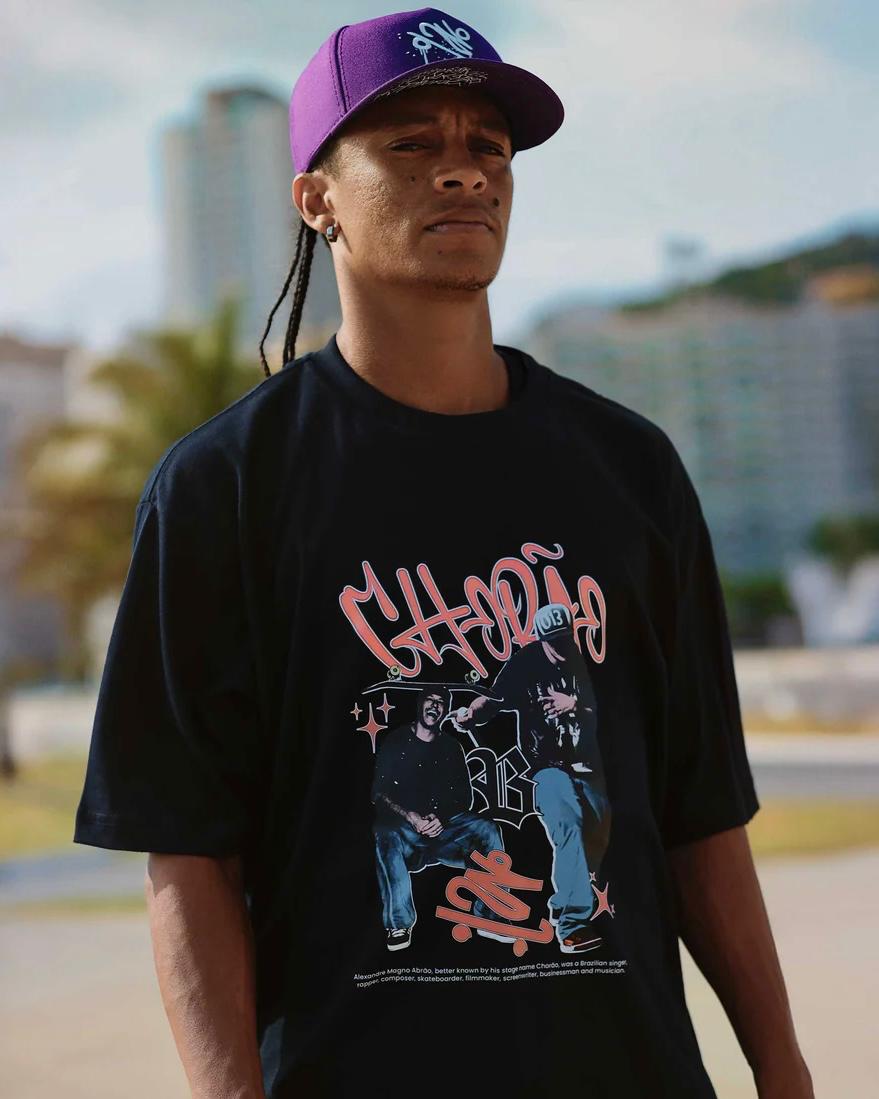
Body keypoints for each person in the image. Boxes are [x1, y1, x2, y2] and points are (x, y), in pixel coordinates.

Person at [73, 6, 814, 1098]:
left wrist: (783, 1071)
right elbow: (187, 852)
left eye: (488, 147)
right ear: (317, 197)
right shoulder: (223, 488)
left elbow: (699, 814)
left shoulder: (629, 469)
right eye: (411, 144)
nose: (464, 172)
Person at [453, 601, 612, 953]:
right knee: (568, 823)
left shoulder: (587, 661)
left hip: (588, 765)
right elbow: (492, 700)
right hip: (546, 766)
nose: (560, 647)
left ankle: (564, 903)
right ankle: (573, 924)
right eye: (553, 641)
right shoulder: (525, 664)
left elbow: (612, 708)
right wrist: (469, 716)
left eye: (565, 638)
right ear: (541, 639)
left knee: (598, 831)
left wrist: (573, 705)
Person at [371, 684, 506, 950]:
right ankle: (398, 923)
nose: (434, 705)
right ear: (419, 704)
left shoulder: (451, 746)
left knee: (487, 829)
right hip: (406, 835)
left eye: (441, 702)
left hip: (444, 834)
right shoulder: (395, 741)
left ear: (446, 711)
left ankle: (491, 914)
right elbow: (379, 793)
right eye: (430, 700)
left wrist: (441, 817)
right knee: (383, 832)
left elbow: (464, 797)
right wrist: (410, 816)